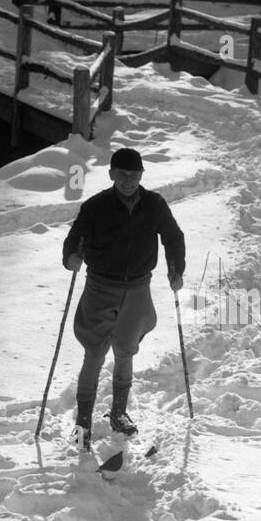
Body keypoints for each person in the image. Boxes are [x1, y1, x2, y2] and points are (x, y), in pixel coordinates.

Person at [62, 147, 185, 450]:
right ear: (111, 175)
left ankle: (118, 413)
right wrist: (71, 258)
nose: (129, 181)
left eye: (134, 175)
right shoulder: (95, 207)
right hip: (101, 287)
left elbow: (173, 236)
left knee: (126, 352)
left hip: (138, 289)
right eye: (122, 174)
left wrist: (176, 269)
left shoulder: (154, 204)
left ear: (141, 175)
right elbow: (74, 239)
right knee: (94, 353)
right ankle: (83, 424)